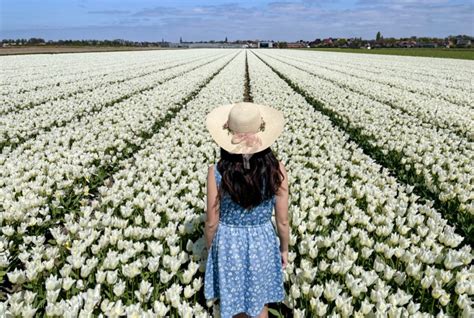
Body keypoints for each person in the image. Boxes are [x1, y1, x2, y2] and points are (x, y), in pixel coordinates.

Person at [203, 102, 289, 318]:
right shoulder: (276, 169)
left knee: (234, 304)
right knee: (260, 303)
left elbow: (212, 222)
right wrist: (284, 248)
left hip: (229, 243)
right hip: (262, 241)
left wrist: (211, 248)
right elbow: (283, 221)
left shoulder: (216, 171)